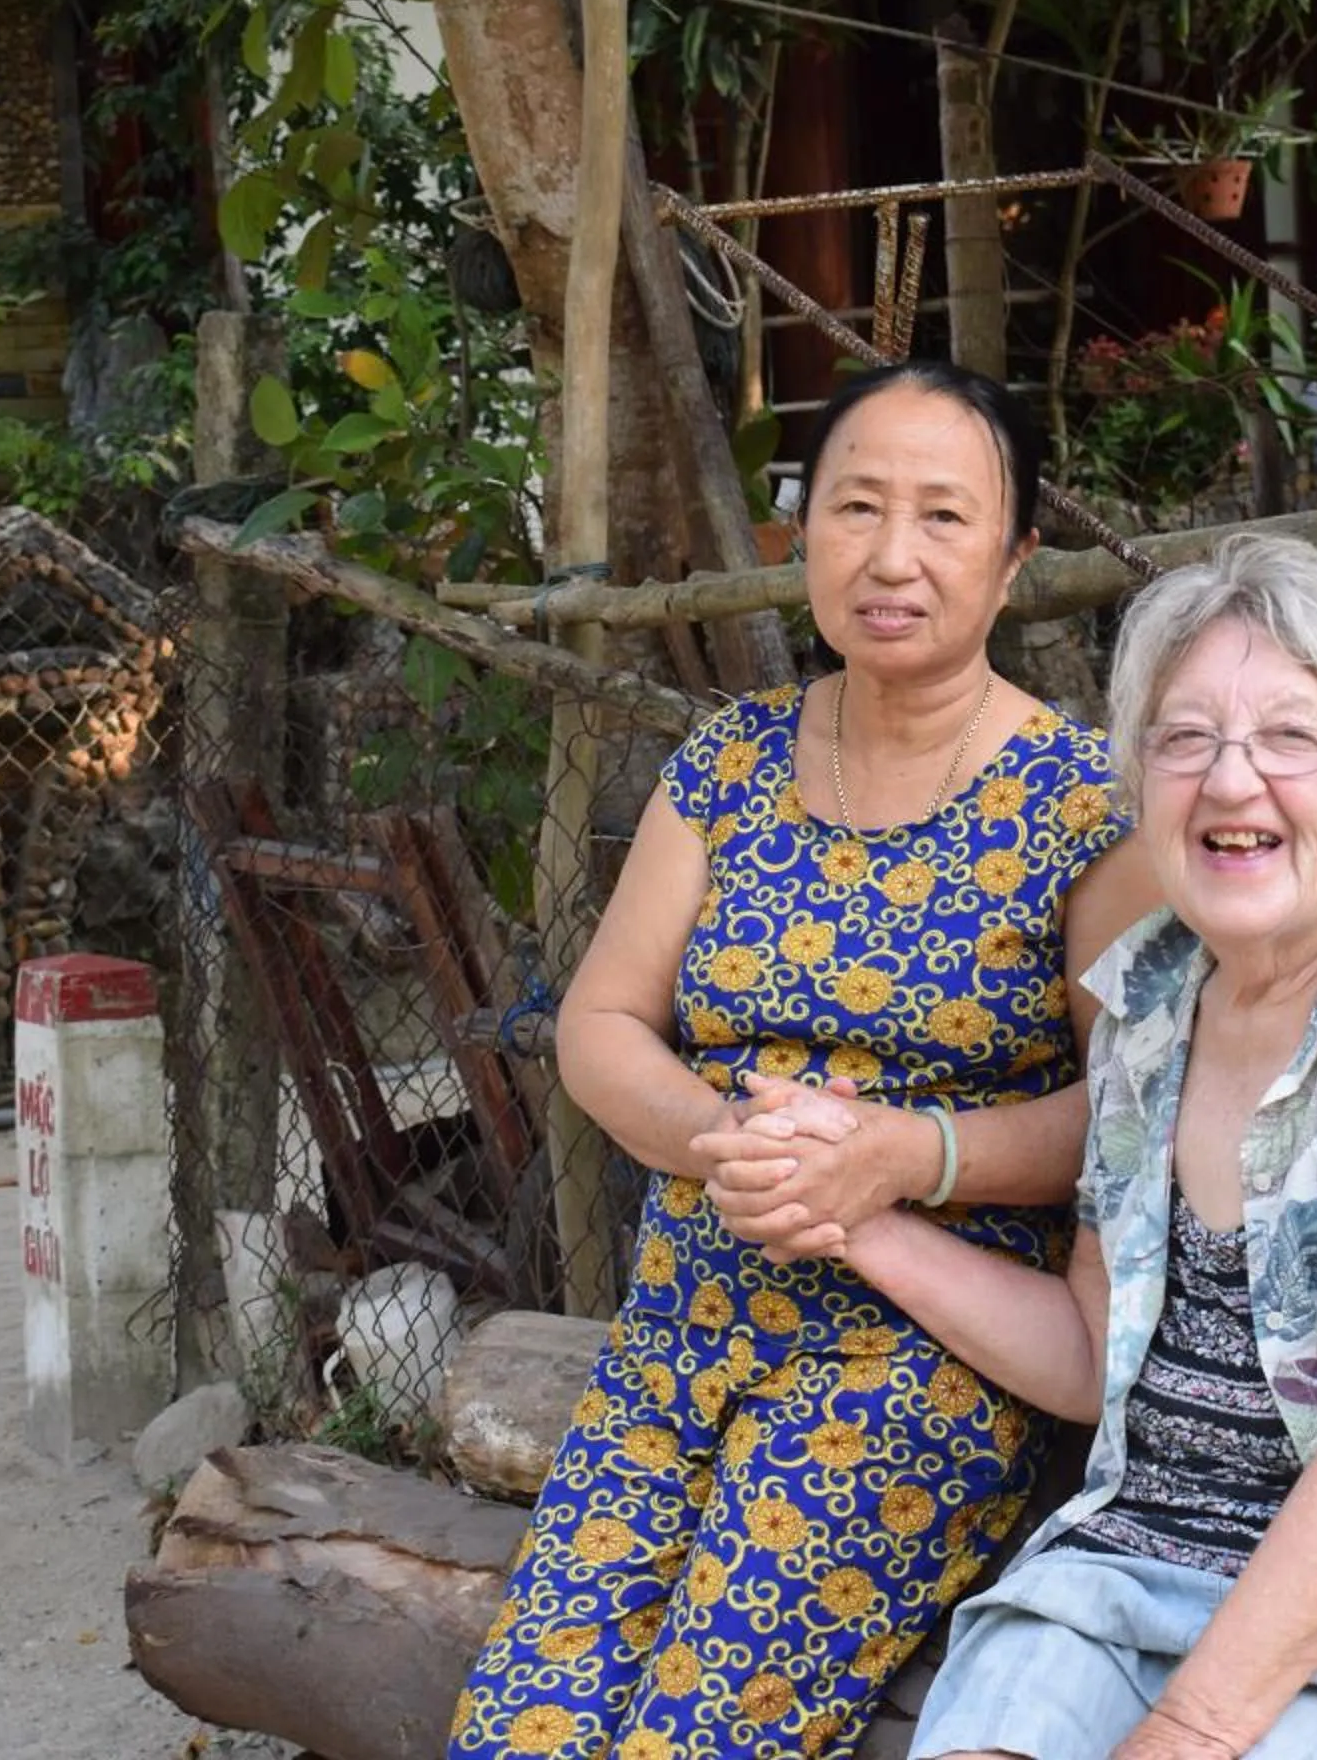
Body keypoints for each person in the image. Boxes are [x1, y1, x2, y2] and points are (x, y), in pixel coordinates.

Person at [708, 533, 1317, 1757]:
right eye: (1186, 739)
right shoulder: (1150, 1001)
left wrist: (1184, 1731)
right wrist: (851, 1213)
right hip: (1140, 1562)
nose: (1231, 783)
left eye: (1293, 738)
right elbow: (1096, 1350)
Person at [446, 362, 1153, 1760]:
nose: (894, 557)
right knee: (520, 1729)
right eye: (857, 508)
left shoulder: (1088, 804)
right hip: (682, 1331)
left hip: (919, 1360)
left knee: (696, 1739)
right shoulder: (729, 764)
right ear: (806, 534)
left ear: (1012, 562)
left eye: (945, 519)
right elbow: (599, 1027)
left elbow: (1130, 1107)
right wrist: (730, 1143)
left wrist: (907, 1157)